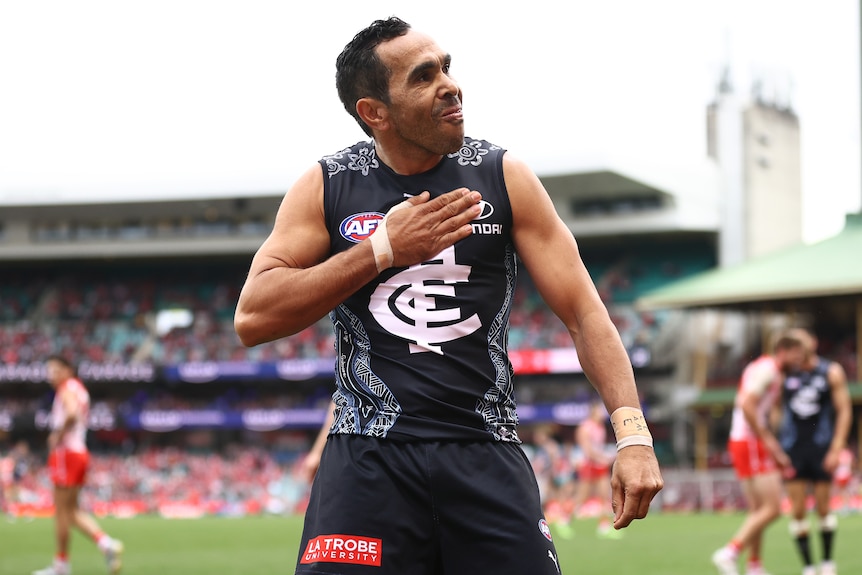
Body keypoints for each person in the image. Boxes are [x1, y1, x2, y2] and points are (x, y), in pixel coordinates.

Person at [234, 16, 663, 574]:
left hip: (484, 450)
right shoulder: (328, 184)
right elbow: (253, 315)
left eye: (447, 67)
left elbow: (584, 312)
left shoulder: (502, 174)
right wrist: (380, 250)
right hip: (367, 459)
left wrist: (633, 434)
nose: (450, 85)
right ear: (375, 112)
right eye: (423, 76)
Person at [712, 331, 806, 575]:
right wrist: (770, 443)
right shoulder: (769, 370)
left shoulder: (762, 367)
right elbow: (747, 404)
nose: (800, 360)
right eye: (798, 354)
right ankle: (730, 552)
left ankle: (754, 565)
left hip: (740, 440)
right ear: (784, 350)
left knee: (758, 511)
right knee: (773, 508)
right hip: (751, 441)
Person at [32, 356, 124, 575]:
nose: (50, 376)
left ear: (68, 370)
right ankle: (106, 544)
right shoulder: (80, 389)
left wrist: (57, 435)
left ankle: (61, 566)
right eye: (49, 371)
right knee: (72, 511)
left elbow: (72, 413)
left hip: (67, 454)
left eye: (55, 370)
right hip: (80, 452)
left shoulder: (67, 388)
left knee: (62, 512)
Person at [778, 329, 852, 575]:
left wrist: (837, 446)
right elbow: (776, 409)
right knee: (797, 510)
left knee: (823, 508)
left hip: (822, 447)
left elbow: (844, 410)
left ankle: (828, 563)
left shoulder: (830, 371)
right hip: (793, 449)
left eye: (800, 341)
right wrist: (777, 444)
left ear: (813, 343)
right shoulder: (785, 372)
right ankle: (809, 567)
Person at [569, 401, 620, 538]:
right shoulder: (585, 428)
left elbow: (598, 447)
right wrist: (603, 457)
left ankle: (603, 526)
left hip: (599, 465)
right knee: (581, 496)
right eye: (599, 411)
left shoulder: (600, 427)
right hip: (588, 464)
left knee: (604, 495)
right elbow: (587, 450)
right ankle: (565, 519)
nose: (602, 414)